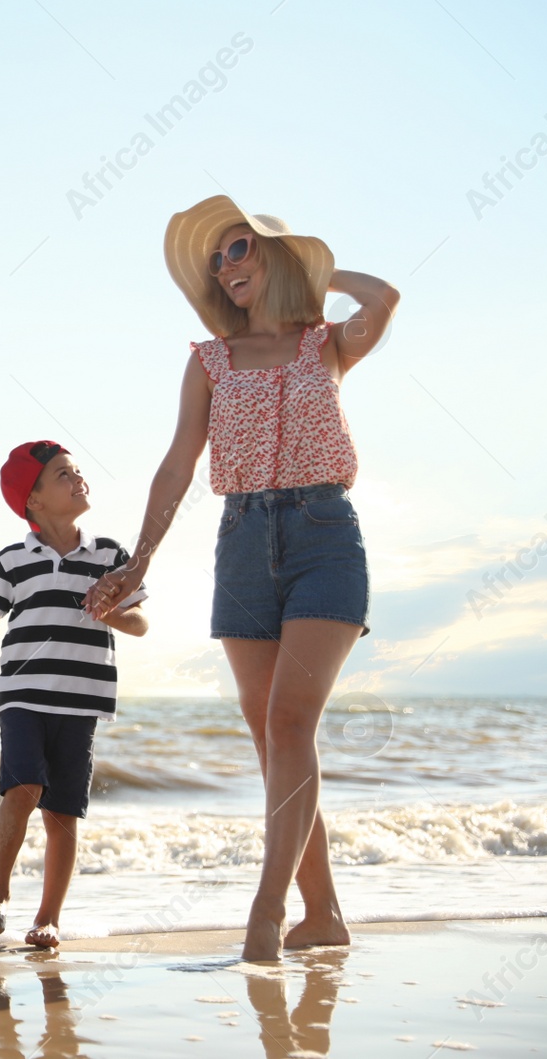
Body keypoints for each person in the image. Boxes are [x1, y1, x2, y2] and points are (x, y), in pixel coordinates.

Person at [85, 195, 399, 961]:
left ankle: (265, 910)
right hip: (240, 540)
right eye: (216, 261)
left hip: (325, 536)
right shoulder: (207, 362)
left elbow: (384, 297)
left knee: (290, 724)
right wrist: (141, 558)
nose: (224, 269)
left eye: (239, 251)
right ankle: (322, 911)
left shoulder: (325, 344)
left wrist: (312, 275)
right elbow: (176, 465)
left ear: (273, 256)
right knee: (273, 738)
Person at [0, 441, 148, 949]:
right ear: (35, 500)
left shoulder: (110, 555)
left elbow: (140, 623)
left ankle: (48, 918)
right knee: (22, 788)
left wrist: (110, 609)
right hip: (23, 693)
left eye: (77, 470)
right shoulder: (13, 560)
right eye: (63, 474)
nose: (78, 479)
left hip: (82, 699)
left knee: (63, 810)